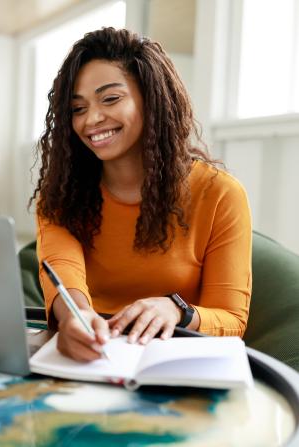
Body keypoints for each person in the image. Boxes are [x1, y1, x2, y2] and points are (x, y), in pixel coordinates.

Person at [30, 27, 252, 362]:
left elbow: (232, 319)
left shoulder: (220, 194)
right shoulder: (61, 192)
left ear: (152, 98)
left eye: (110, 99)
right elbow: (64, 270)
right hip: (90, 357)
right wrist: (75, 317)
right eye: (77, 108)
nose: (91, 119)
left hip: (176, 362)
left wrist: (177, 310)